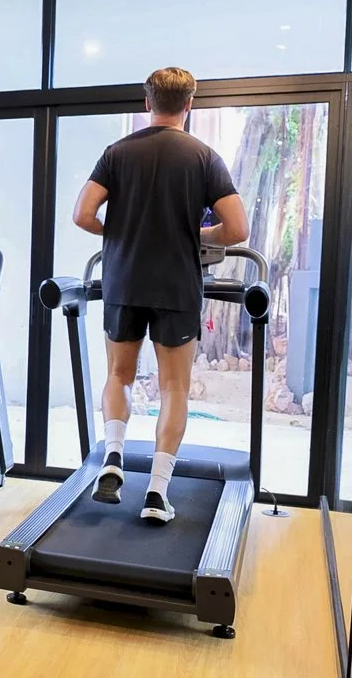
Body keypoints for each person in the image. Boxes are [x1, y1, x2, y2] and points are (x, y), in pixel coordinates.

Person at [71, 67, 249, 522]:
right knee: (174, 388)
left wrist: (123, 234)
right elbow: (237, 228)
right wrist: (197, 234)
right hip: (176, 284)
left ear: (147, 103)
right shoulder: (204, 157)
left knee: (119, 375)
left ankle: (113, 456)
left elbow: (83, 214)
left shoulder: (116, 153)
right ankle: (156, 492)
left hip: (124, 280)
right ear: (189, 104)